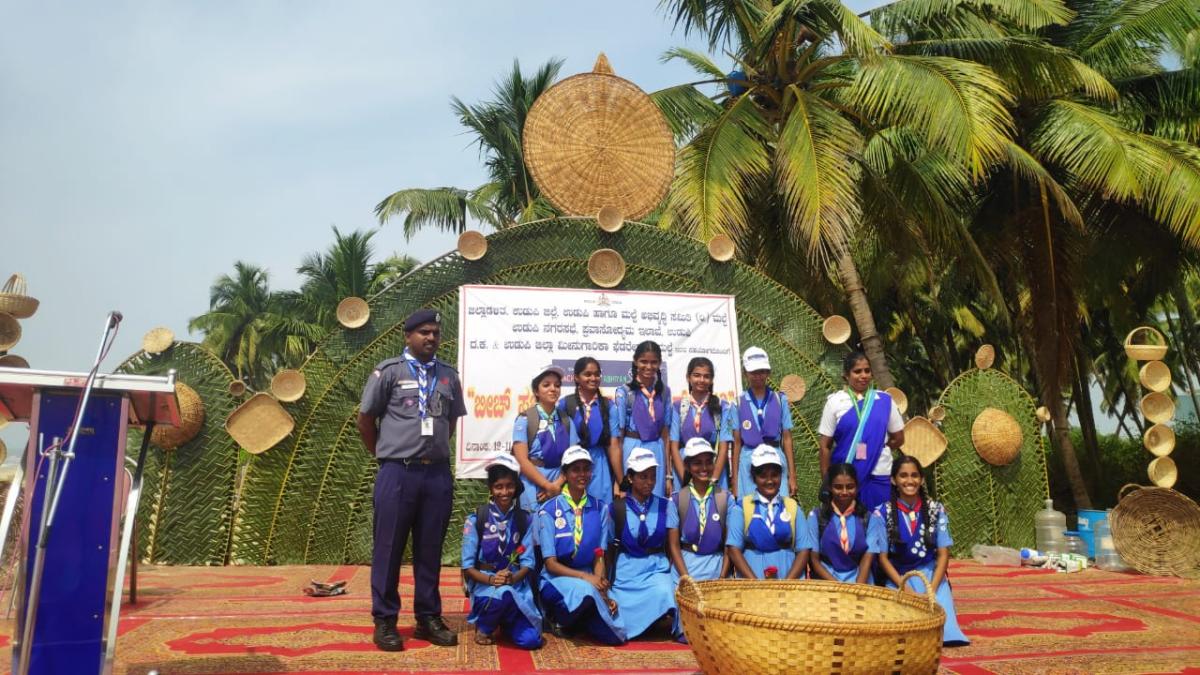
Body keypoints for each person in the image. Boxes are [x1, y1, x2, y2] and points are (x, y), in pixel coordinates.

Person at [358, 308, 466, 651]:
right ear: (408, 336)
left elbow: (451, 423)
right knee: (388, 547)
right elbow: (365, 419)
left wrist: (430, 451)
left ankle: (428, 618)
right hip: (397, 472)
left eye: (435, 332)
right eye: (423, 332)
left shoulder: (449, 376)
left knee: (430, 549)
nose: (431, 338)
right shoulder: (389, 372)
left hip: (435, 473)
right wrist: (384, 455)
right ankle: (385, 620)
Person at [876, 455, 970, 646]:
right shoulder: (881, 513)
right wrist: (907, 590)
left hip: (932, 577)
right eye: (903, 475)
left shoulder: (936, 509)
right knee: (903, 636)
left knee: (946, 634)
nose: (909, 480)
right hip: (899, 580)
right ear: (893, 480)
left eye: (914, 475)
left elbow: (943, 554)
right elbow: (883, 559)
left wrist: (932, 590)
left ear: (922, 479)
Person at [537, 445, 627, 645]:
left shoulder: (600, 508)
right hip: (556, 578)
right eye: (575, 469)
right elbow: (550, 564)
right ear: (565, 474)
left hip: (589, 577)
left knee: (615, 633)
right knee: (586, 593)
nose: (582, 474)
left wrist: (602, 590)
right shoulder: (549, 510)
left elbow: (599, 554)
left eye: (586, 469)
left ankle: (581, 619)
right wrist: (587, 579)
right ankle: (560, 617)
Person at [460, 454, 543, 649]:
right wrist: (492, 580)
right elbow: (467, 567)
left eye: (509, 486)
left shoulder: (525, 520)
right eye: (498, 486)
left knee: (531, 641)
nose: (504, 492)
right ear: (491, 488)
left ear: (516, 487)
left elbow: (528, 562)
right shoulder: (476, 520)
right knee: (503, 593)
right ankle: (485, 626)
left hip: (516, 586)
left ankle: (506, 622)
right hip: (487, 588)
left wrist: (513, 579)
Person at [818, 351, 905, 512]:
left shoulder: (885, 400)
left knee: (883, 522)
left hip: (880, 474)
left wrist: (876, 447)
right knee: (850, 527)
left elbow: (899, 438)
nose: (863, 375)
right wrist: (827, 481)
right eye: (857, 371)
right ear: (846, 375)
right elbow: (825, 446)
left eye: (867, 371)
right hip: (845, 478)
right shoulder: (835, 402)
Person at [608, 447, 678, 640]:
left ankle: (655, 619)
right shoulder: (616, 508)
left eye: (653, 476)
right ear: (630, 478)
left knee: (665, 591)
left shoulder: (666, 505)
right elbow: (607, 547)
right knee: (618, 613)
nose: (649, 482)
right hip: (627, 570)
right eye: (643, 476)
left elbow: (672, 544)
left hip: (655, 567)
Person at [726, 446, 811, 580]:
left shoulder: (793, 507)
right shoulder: (741, 508)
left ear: (781, 476)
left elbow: (804, 549)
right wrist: (755, 584)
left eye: (774, 475)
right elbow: (733, 549)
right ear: (754, 478)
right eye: (763, 476)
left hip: (789, 580)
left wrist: (787, 584)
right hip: (751, 583)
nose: (770, 481)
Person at [609, 341, 674, 498]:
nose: (649, 367)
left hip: (657, 451)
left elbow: (666, 436)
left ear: (659, 364)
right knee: (632, 502)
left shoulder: (664, 392)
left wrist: (668, 475)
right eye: (644, 361)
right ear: (635, 362)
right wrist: (619, 479)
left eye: (654, 362)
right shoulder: (625, 392)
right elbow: (618, 439)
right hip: (632, 450)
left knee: (655, 503)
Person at [730, 347, 796, 498]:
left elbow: (787, 438)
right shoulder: (737, 403)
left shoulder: (780, 400)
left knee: (779, 508)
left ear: (768, 372)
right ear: (745, 373)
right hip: (748, 462)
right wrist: (735, 481)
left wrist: (792, 476)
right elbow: (737, 443)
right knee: (750, 510)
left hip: (775, 460)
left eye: (762, 371)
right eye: (753, 372)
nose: (758, 376)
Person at [513, 365, 580, 511]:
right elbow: (521, 460)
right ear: (536, 391)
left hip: (561, 486)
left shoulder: (566, 420)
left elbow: (574, 458)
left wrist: (557, 485)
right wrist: (546, 485)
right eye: (546, 385)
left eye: (557, 385)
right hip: (533, 487)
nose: (553, 389)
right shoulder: (525, 419)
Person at [805, 463, 885, 584]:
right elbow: (814, 560)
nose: (844, 492)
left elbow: (867, 558)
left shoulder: (869, 519)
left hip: (860, 581)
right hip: (826, 582)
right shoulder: (816, 517)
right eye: (838, 487)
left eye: (850, 486)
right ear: (830, 488)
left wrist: (857, 587)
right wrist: (838, 587)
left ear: (857, 487)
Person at [668, 357, 733, 490]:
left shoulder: (722, 407)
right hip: (684, 473)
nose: (701, 380)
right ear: (688, 377)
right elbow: (673, 447)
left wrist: (714, 480)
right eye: (697, 375)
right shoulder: (678, 407)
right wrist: (686, 480)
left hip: (713, 472)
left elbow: (723, 447)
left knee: (715, 510)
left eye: (706, 376)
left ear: (712, 380)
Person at [559, 357, 614, 500]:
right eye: (588, 374)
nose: (593, 378)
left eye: (597, 374)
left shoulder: (608, 405)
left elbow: (614, 447)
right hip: (573, 465)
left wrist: (619, 482)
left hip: (599, 467)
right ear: (576, 377)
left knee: (599, 510)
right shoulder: (565, 404)